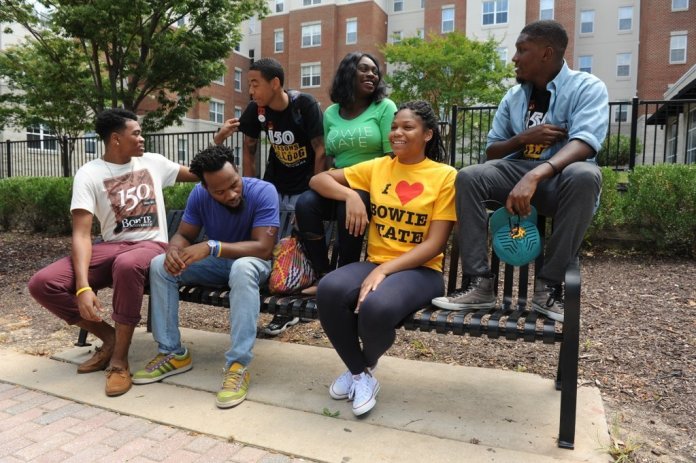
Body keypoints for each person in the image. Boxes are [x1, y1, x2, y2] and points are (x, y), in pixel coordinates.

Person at [431, 20, 608, 323]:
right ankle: (479, 284)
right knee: (470, 176)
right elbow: (492, 151)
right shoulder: (514, 97)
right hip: (515, 175)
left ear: (546, 53)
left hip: (559, 182)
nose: (514, 58)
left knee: (585, 175)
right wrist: (523, 139)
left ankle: (548, 287)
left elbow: (586, 142)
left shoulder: (587, 87)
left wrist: (535, 175)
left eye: (522, 50)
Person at [28, 108, 197, 397]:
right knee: (42, 283)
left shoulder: (153, 163)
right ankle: (109, 338)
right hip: (112, 247)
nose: (142, 138)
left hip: (151, 246)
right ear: (116, 139)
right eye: (136, 133)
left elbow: (198, 173)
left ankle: (119, 361)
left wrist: (219, 142)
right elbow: (81, 234)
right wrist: (83, 287)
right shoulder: (89, 173)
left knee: (127, 264)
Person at [314, 101, 456, 416]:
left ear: (428, 134)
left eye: (407, 127)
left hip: (422, 271)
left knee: (375, 308)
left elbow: (435, 244)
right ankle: (360, 374)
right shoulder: (378, 167)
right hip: (377, 263)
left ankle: (361, 367)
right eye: (393, 127)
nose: (397, 133)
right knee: (329, 289)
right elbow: (319, 180)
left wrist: (385, 271)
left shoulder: (445, 176)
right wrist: (351, 195)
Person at [132, 145, 279, 409]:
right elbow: (184, 235)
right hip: (218, 264)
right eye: (219, 192)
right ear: (206, 187)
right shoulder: (199, 195)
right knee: (160, 265)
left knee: (242, 268)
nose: (231, 194)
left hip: (254, 264)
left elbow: (263, 248)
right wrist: (173, 250)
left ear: (237, 171)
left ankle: (237, 366)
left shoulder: (263, 191)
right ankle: (172, 353)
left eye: (234, 184)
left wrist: (213, 246)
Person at [211, 57, 326, 336]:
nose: (250, 90)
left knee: (297, 246)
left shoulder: (304, 105)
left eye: (255, 84)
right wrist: (251, 189)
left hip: (304, 189)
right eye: (248, 84)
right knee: (273, 244)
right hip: (274, 186)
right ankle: (281, 303)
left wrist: (315, 192)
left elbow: (320, 150)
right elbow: (249, 147)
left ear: (275, 83)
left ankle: (293, 304)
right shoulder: (257, 110)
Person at [292, 52, 397, 305]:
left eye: (375, 71)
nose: (372, 74)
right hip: (339, 180)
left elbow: (391, 157)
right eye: (364, 69)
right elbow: (329, 156)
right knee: (305, 203)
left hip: (371, 182)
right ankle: (323, 274)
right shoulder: (331, 113)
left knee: (346, 207)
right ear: (348, 73)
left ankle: (346, 275)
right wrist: (329, 186)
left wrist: (356, 191)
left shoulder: (384, 108)